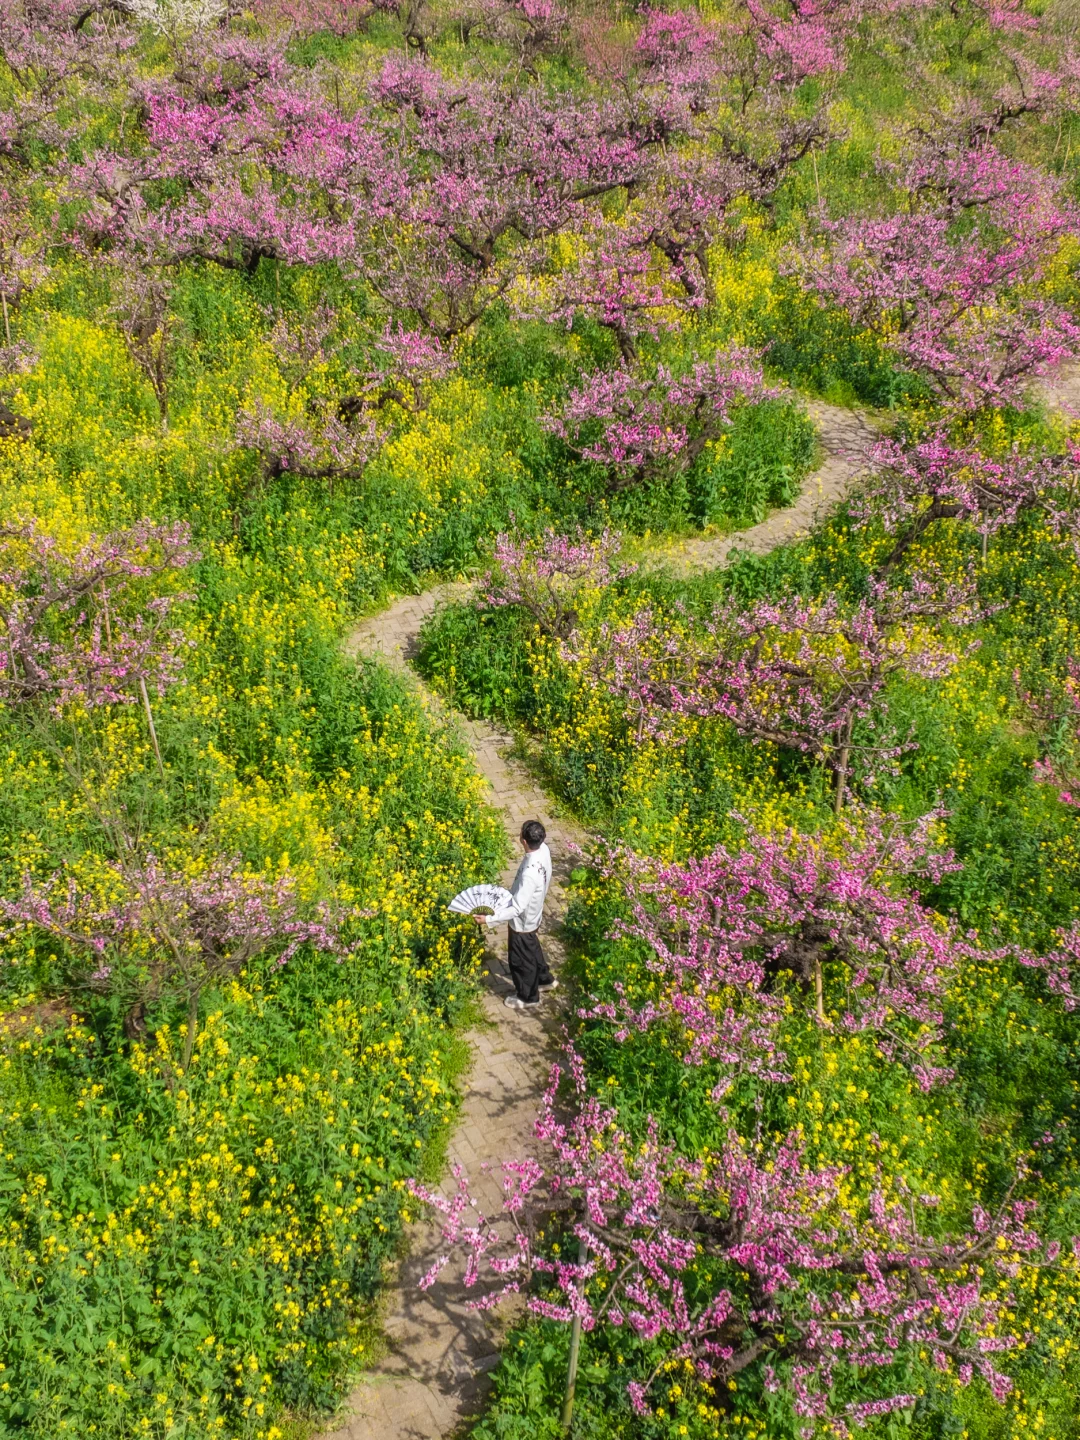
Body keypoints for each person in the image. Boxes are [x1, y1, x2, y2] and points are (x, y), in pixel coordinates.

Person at [474, 819, 557, 1011]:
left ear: (524, 841)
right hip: (535, 914)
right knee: (532, 948)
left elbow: (517, 908)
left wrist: (489, 919)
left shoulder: (529, 874)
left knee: (520, 960)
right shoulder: (543, 850)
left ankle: (528, 997)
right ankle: (545, 979)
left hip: (523, 922)